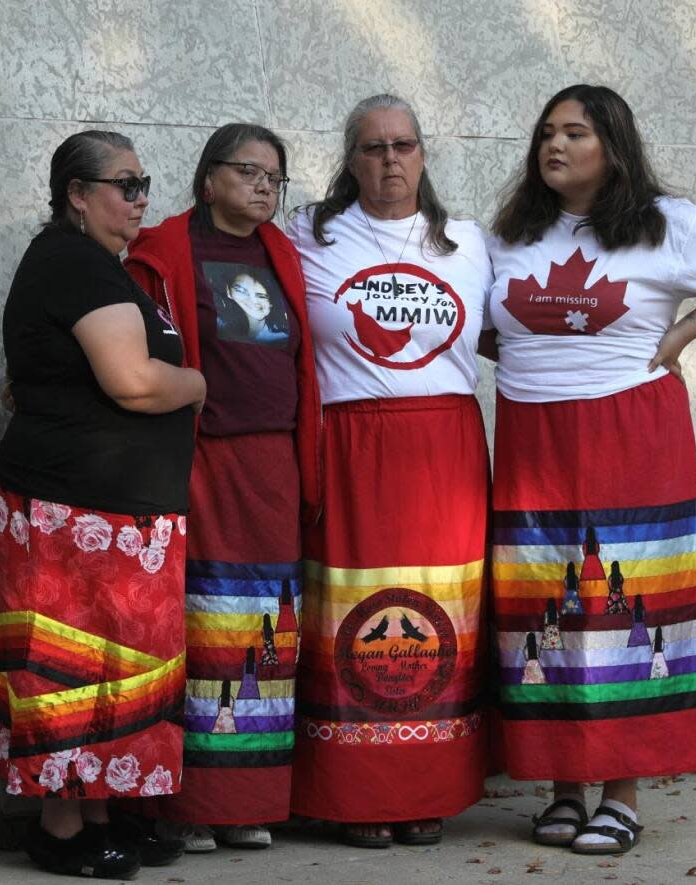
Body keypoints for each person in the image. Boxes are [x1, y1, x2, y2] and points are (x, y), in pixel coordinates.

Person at [486, 84, 696, 855]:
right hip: (532, 435)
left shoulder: (667, 226)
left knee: (628, 605)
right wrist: (531, 359)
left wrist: (682, 335)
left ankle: (619, 792)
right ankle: (560, 786)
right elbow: (486, 324)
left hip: (630, 431)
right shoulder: (512, 233)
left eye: (576, 133)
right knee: (543, 606)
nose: (555, 145)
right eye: (547, 132)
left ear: (612, 147)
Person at [0, 130, 206, 879]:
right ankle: (60, 825)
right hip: (74, 511)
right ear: (76, 192)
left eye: (144, 184)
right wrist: (196, 383)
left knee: (117, 669)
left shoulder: (103, 269)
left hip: (118, 514)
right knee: (71, 668)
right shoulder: (70, 261)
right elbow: (132, 381)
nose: (139, 199)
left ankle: (101, 810)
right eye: (124, 184)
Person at [285, 94, 493, 848]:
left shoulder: (468, 242)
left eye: (403, 144)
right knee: (349, 606)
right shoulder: (308, 233)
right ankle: (352, 792)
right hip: (350, 445)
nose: (390, 159)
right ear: (351, 158)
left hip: (445, 448)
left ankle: (427, 787)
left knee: (442, 608)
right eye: (372, 147)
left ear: (424, 155)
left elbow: (521, 326)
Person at [125, 123, 321, 852]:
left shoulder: (282, 257)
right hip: (203, 459)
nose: (265, 185)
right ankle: (187, 802)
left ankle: (247, 800)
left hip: (274, 461)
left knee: (266, 627)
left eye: (276, 174)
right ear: (209, 179)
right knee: (201, 615)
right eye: (248, 171)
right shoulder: (164, 253)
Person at [213, 267, 291, 345]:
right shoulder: (214, 324)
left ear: (271, 302)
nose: (254, 301)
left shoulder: (281, 338)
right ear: (228, 291)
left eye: (262, 296)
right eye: (241, 291)